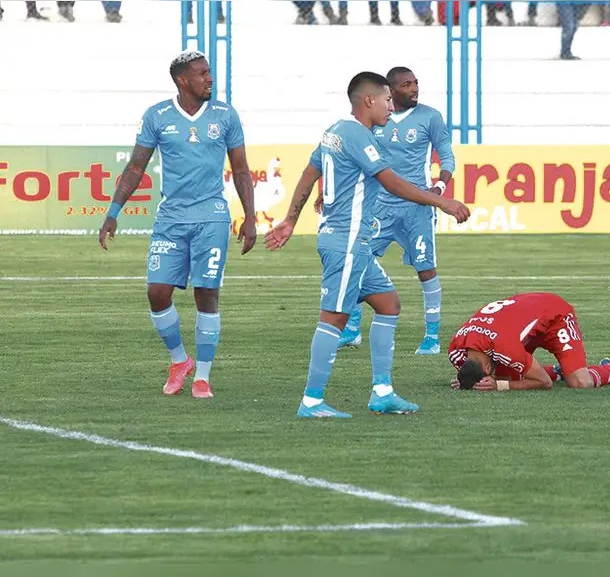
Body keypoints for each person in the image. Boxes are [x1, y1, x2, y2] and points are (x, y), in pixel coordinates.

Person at [264, 71, 471, 419]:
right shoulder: (358, 135)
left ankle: (382, 392)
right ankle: (311, 401)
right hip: (345, 241)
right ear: (369, 100)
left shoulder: (335, 131)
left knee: (388, 304)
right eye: (387, 100)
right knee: (334, 317)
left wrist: (290, 219)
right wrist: (442, 202)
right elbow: (391, 183)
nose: (392, 107)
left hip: (354, 240)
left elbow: (310, 170)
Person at [98, 49, 257, 399]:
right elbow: (136, 168)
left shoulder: (225, 115)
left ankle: (202, 375)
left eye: (209, 72)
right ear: (183, 80)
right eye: (202, 74)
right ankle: (179, 360)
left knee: (206, 293)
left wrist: (249, 216)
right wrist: (113, 211)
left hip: (212, 216)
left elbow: (242, 169)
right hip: (171, 218)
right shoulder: (157, 116)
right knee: (157, 292)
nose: (209, 78)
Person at [323, 67, 454, 356]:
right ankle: (352, 329)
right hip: (379, 208)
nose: (414, 88)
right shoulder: (376, 119)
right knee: (359, 261)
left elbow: (446, 154)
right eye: (407, 85)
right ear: (390, 92)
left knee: (426, 269)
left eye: (416, 83)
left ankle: (432, 337)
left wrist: (440, 187)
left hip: (416, 209)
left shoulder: (430, 117)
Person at [448, 292, 610, 391]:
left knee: (581, 383)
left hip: (554, 316)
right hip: (523, 322)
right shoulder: (456, 350)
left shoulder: (503, 347)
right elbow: (476, 372)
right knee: (510, 374)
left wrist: (500, 386)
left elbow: (544, 383)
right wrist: (466, 381)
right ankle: (559, 370)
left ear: (488, 368)